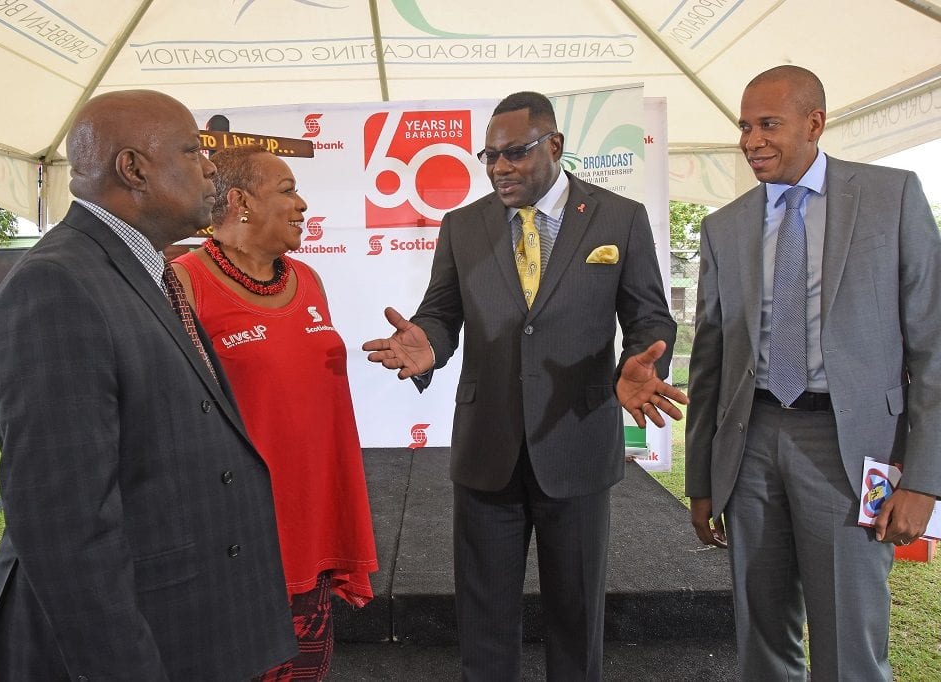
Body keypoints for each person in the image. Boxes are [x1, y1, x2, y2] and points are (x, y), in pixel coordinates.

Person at [362, 91, 686, 681]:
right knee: (484, 623)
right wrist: (430, 343)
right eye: (489, 156)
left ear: (554, 145)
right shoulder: (463, 226)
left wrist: (643, 362)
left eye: (514, 153)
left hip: (579, 443)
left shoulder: (619, 218)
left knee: (576, 618)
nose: (498, 167)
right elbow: (440, 311)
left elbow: (650, 317)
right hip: (488, 451)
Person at [0, 90, 296, 680]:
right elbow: (65, 527)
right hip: (137, 645)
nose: (209, 168)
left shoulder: (140, 270)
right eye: (192, 150)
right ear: (134, 169)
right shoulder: (56, 289)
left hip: (186, 623)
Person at [685, 65, 941, 680]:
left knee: (848, 643)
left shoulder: (892, 196)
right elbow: (710, 364)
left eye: (768, 124)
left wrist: (925, 481)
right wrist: (702, 480)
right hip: (751, 447)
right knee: (762, 637)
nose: (752, 141)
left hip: (850, 450)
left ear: (815, 123)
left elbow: (933, 347)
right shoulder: (725, 226)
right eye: (745, 127)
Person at [171, 144, 378, 681]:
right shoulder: (184, 282)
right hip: (240, 535)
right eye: (287, 191)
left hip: (312, 519)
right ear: (239, 202)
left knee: (305, 669)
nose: (303, 204)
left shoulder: (307, 280)